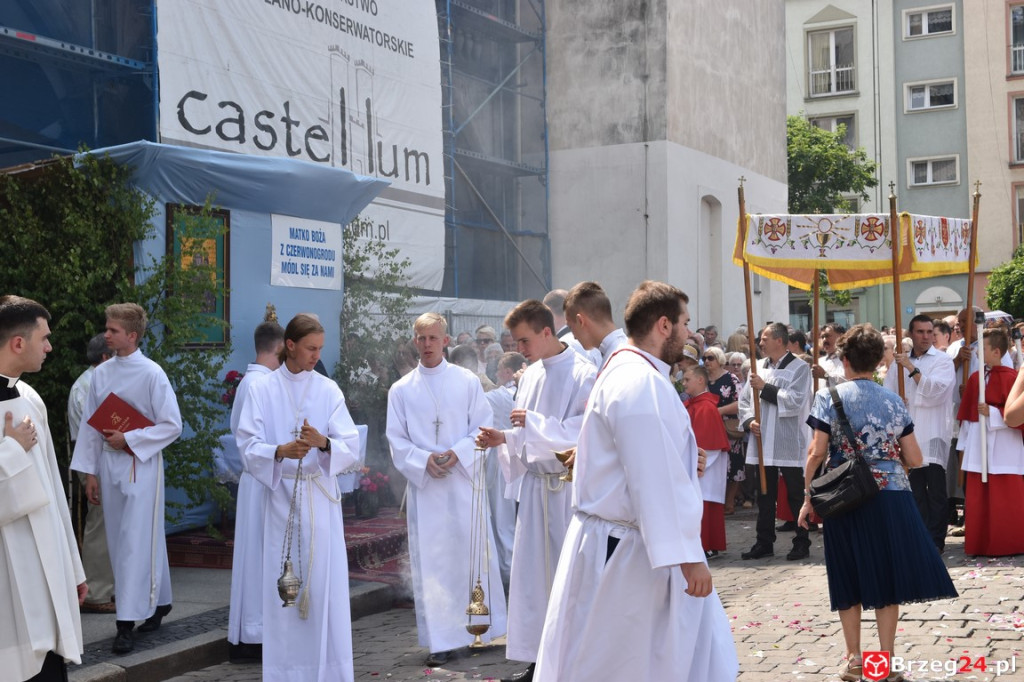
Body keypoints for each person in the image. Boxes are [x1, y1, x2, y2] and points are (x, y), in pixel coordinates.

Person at [533, 281, 738, 682]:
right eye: (684, 322)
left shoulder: (634, 370)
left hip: (631, 541)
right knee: (623, 663)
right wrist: (690, 558)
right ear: (664, 325)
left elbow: (641, 455)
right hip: (629, 550)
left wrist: (683, 458)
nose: (690, 333)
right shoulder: (638, 379)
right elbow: (650, 476)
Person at [798, 323, 957, 682]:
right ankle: (884, 660)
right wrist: (889, 457)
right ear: (877, 361)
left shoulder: (830, 396)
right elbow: (916, 458)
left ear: (846, 358)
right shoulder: (894, 399)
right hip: (892, 495)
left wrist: (808, 496)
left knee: (847, 574)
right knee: (888, 576)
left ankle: (854, 659)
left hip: (844, 496)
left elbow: (815, 451)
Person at [476, 299, 597, 682]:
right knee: (533, 585)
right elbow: (527, 434)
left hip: (565, 492)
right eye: (515, 343)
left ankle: (575, 662)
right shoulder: (529, 376)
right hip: (534, 493)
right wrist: (504, 438)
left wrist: (534, 423)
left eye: (524, 341)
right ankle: (538, 662)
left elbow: (586, 431)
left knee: (568, 583)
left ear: (547, 332)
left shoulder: (584, 373)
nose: (519, 350)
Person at [237, 313, 361, 681]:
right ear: (289, 345)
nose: (315, 355)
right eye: (310, 348)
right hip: (280, 500)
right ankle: (286, 673)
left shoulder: (328, 389)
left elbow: (350, 445)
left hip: (319, 500)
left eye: (319, 349)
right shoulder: (261, 389)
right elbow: (247, 444)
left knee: (323, 587)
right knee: (286, 590)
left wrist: (322, 443)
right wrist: (279, 451)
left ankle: (328, 671)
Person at [387, 313, 507, 668]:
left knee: (470, 555)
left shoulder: (467, 382)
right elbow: (396, 440)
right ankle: (441, 639)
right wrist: (424, 460)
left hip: (463, 483)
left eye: (432, 338)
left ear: (446, 340)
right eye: (420, 338)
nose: (426, 345)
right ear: (415, 341)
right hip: (428, 490)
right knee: (434, 562)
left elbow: (483, 427)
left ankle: (479, 628)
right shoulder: (401, 389)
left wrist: (458, 453)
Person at [70, 303, 182, 654]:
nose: (107, 334)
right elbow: (91, 424)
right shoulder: (102, 374)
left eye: (113, 330)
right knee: (124, 538)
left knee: (134, 541)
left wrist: (130, 439)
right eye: (107, 328)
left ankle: (125, 624)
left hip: (140, 464)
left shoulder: (152, 374)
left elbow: (172, 425)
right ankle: (160, 600)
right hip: (108, 462)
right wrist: (89, 474)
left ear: (132, 335)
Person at [0, 296, 87, 681]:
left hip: (45, 564)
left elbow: (53, 486)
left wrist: (73, 566)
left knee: (49, 666)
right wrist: (11, 451)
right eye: (45, 338)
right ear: (18, 343)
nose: (50, 347)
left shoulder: (31, 398)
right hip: (6, 565)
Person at [226, 317, 284, 659]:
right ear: (280, 348)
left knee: (259, 557)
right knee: (260, 559)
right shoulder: (260, 384)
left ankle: (254, 632)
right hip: (264, 478)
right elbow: (254, 441)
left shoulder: (252, 381)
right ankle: (254, 633)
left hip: (261, 478)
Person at [738, 322, 813, 561]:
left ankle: (801, 540)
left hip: (786, 440)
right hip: (762, 440)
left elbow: (795, 401)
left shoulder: (800, 368)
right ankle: (764, 542)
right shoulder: (757, 366)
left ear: (779, 340)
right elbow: (744, 400)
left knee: (794, 493)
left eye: (764, 338)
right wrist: (750, 420)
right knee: (765, 493)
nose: (760, 343)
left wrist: (765, 387)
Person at [883, 314, 956, 552]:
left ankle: (936, 540)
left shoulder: (942, 361)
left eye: (929, 332)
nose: (925, 337)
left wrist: (912, 370)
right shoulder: (897, 364)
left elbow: (938, 392)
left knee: (935, 491)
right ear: (911, 335)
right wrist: (897, 401)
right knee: (914, 490)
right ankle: (920, 536)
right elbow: (888, 394)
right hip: (908, 435)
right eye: (920, 332)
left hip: (933, 431)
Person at [955, 328, 1024, 556]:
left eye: (982, 349)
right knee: (978, 496)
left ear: (996, 351)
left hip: (1004, 444)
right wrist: (963, 445)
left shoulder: (1013, 378)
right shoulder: (976, 378)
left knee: (1006, 498)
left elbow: (1015, 415)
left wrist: (993, 412)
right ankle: (979, 543)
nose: (977, 353)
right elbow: (968, 415)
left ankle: (1008, 543)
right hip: (979, 444)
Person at [67, 333, 115, 615]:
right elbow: (93, 433)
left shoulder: (95, 380)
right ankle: (96, 592)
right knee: (99, 527)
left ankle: (107, 586)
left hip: (102, 459)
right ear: (105, 358)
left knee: (108, 525)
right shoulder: (87, 386)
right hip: (94, 462)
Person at [484, 351, 527, 589]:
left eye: (499, 371)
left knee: (503, 519)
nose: (497, 376)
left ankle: (509, 570)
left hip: (502, 460)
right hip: (527, 460)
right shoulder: (529, 391)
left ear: (507, 372)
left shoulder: (496, 396)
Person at [683, 365, 730, 558]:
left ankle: (706, 545)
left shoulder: (706, 408)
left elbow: (709, 445)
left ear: (700, 380)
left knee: (704, 506)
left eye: (687, 379)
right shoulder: (695, 404)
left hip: (705, 469)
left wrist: (693, 465)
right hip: (696, 464)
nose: (683, 383)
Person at [562, 280, 627, 367]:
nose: (574, 337)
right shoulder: (617, 353)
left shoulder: (621, 358)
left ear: (581, 321)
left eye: (571, 327)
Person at [812, 323, 846, 388]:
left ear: (841, 337)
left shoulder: (848, 359)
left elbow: (848, 381)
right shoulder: (819, 362)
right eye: (822, 337)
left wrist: (826, 375)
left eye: (827, 336)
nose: (824, 340)